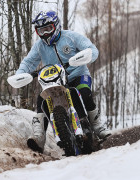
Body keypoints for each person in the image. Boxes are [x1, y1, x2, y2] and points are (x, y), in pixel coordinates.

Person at [16, 10, 111, 153]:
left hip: (77, 75)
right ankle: (39, 137)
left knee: (85, 93)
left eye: (48, 28)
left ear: (56, 25)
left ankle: (99, 127)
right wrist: (20, 74)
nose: (45, 34)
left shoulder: (71, 37)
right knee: (42, 101)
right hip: (55, 81)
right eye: (41, 30)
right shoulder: (39, 46)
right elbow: (28, 62)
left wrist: (85, 56)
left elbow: (92, 49)